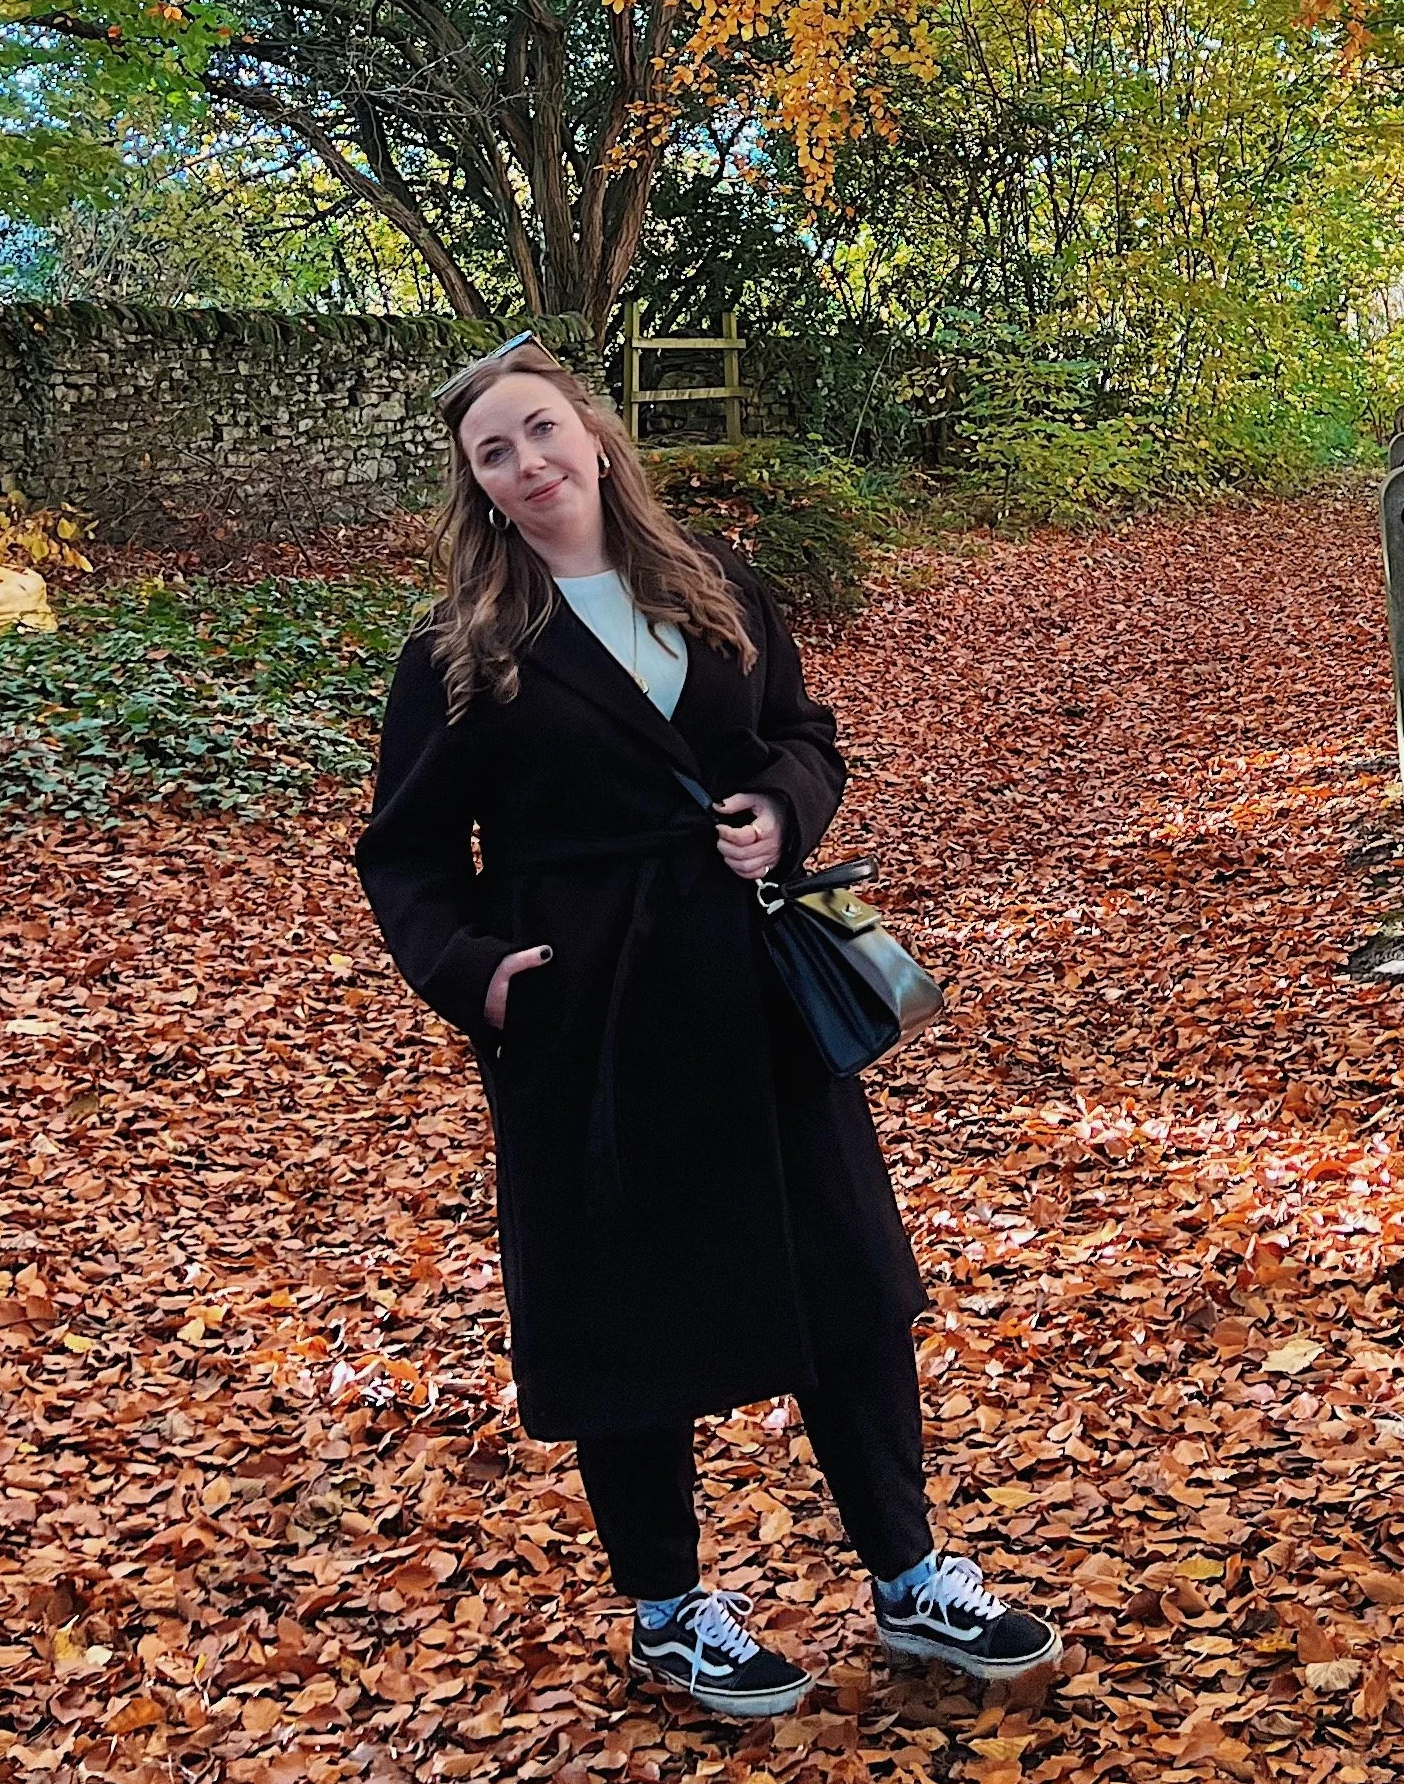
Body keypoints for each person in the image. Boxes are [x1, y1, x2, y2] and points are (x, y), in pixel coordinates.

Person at [354, 336, 1057, 1718]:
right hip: (591, 1015)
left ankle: (911, 1577)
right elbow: (408, 856)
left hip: (755, 989)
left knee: (847, 1279)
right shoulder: (462, 653)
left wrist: (783, 807)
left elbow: (805, 731)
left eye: (541, 432)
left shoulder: (712, 582)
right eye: (494, 452)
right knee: (624, 1307)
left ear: (595, 436)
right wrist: (485, 976)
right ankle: (669, 1609)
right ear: (477, 485)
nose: (528, 465)